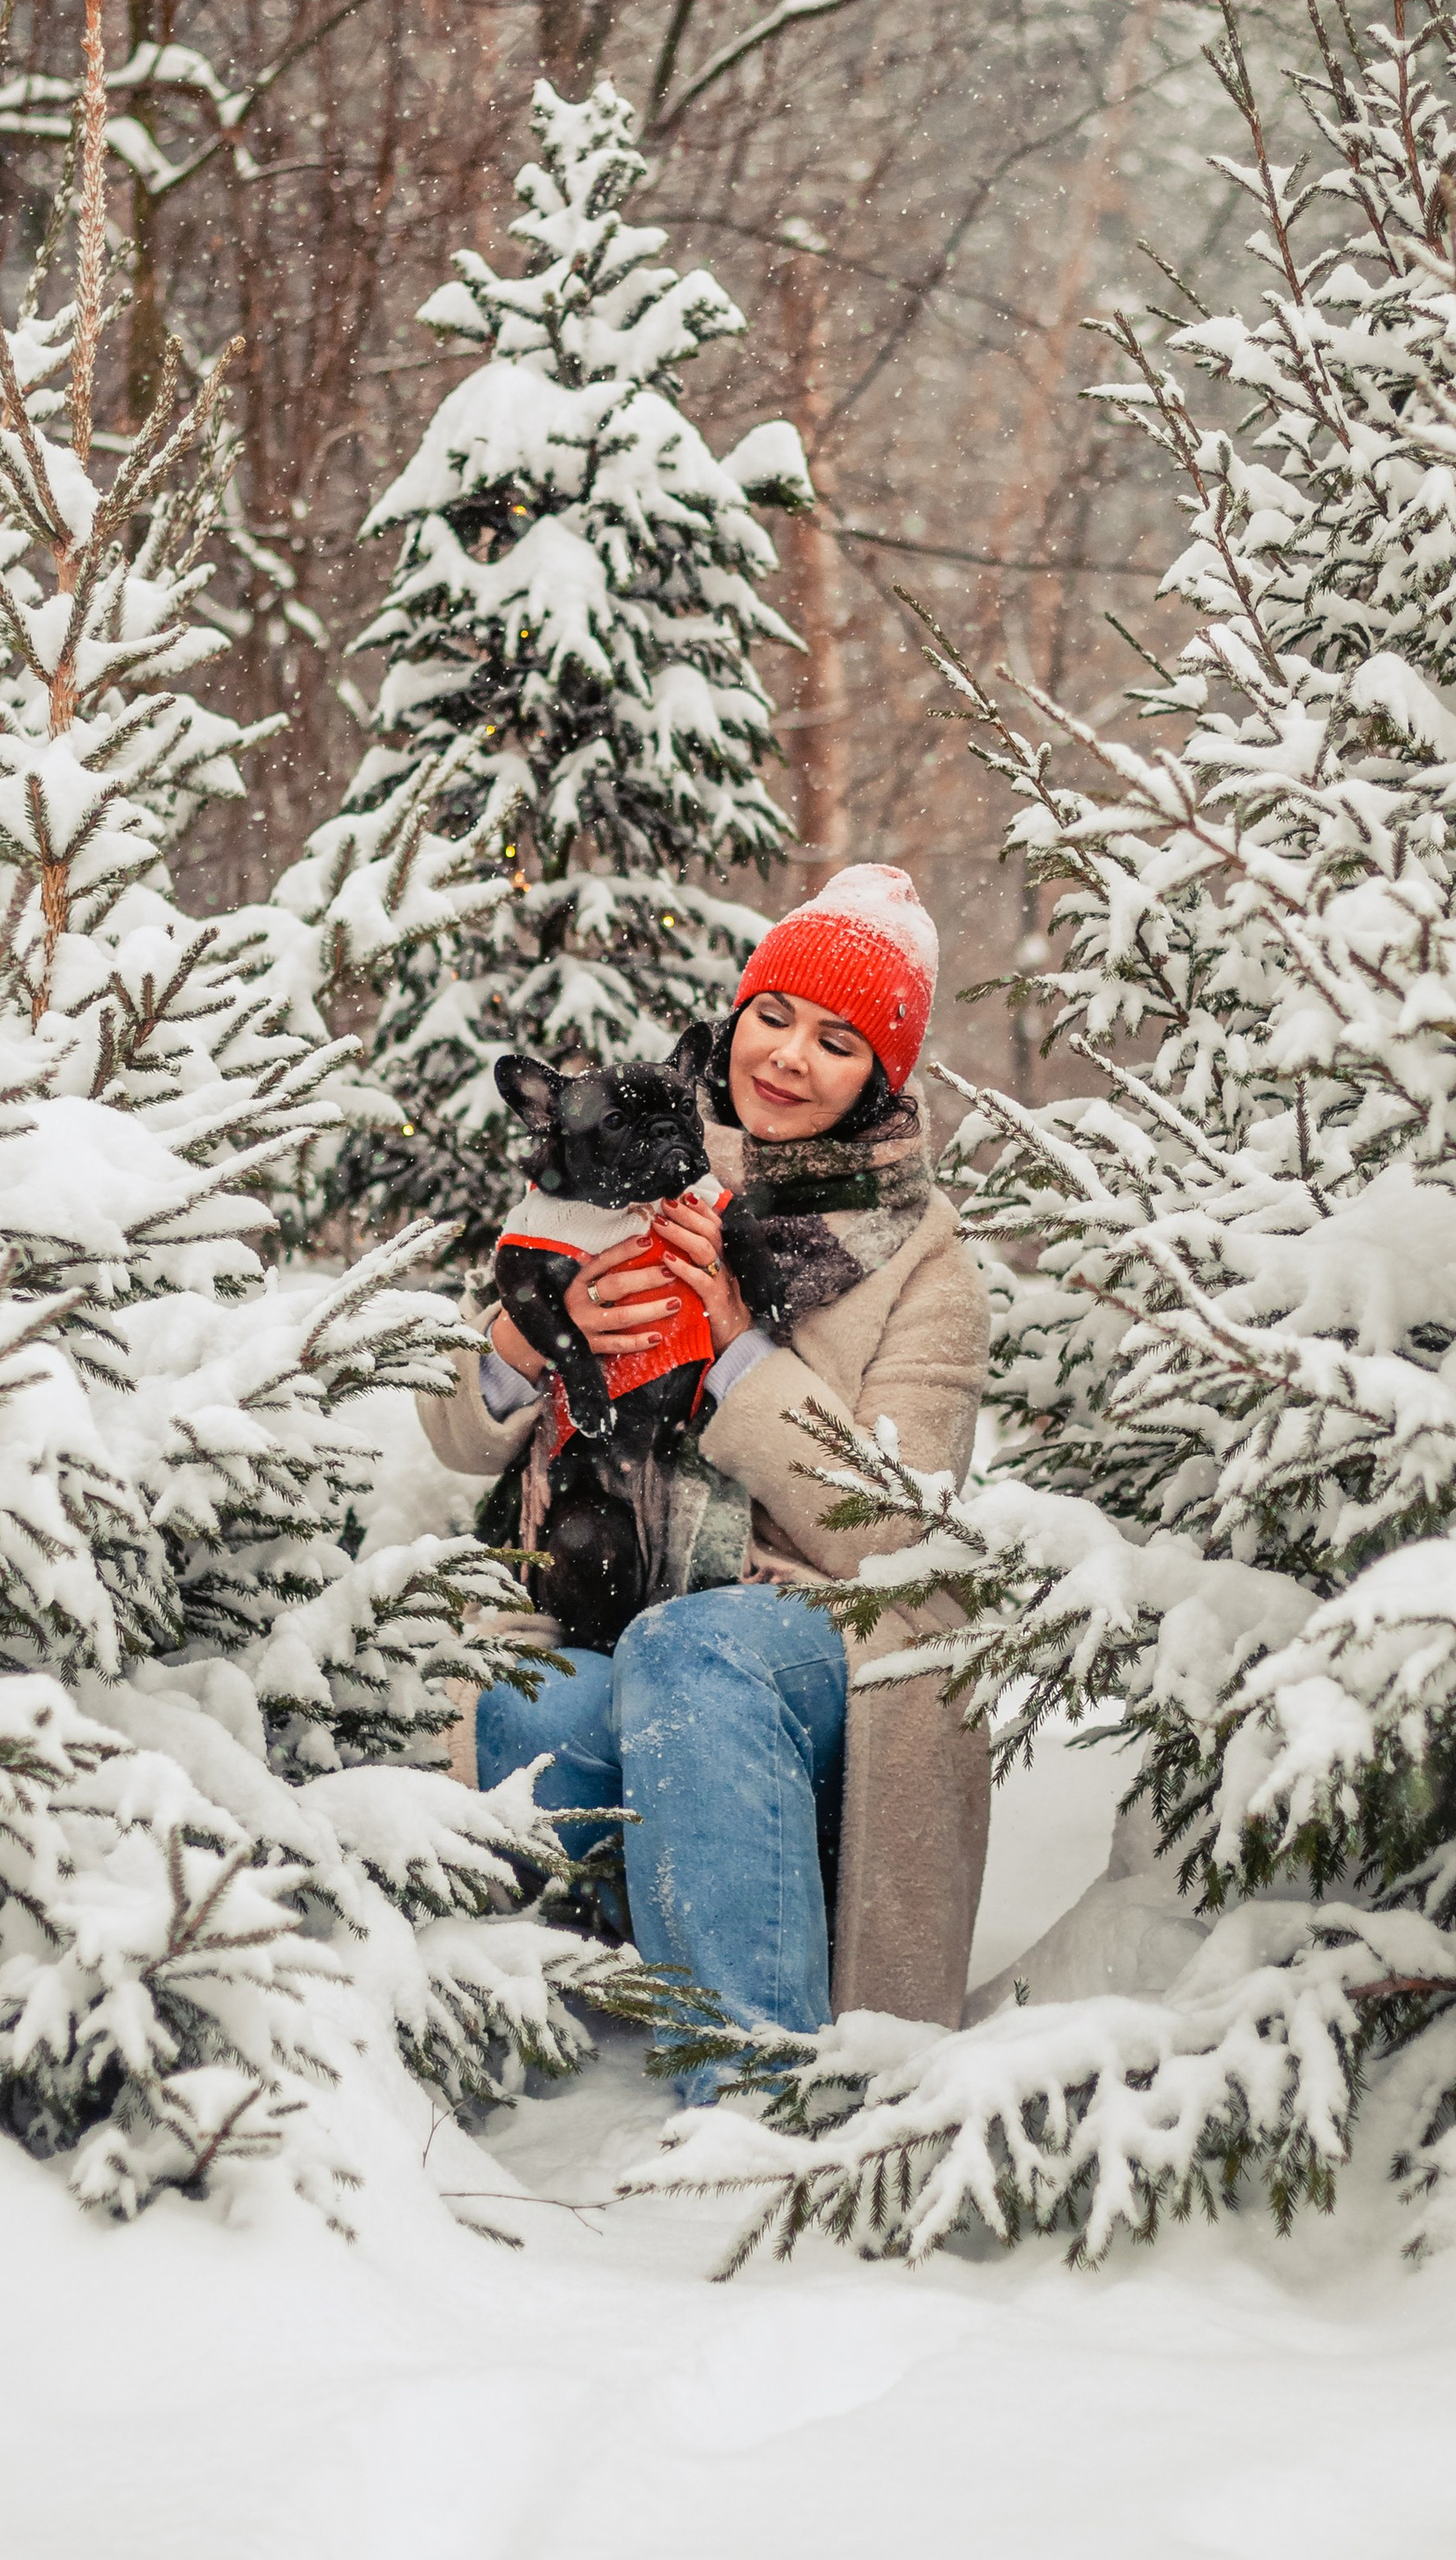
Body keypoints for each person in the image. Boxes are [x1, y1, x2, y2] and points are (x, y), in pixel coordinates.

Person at [413, 864, 992, 2073]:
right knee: (515, 1706)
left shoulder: (928, 1272)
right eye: (773, 1016)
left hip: (821, 1648)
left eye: (837, 1043)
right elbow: (456, 1433)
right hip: (622, 1618)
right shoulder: (626, 1158)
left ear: (880, 1079)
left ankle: (751, 2097)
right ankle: (512, 2053)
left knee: (691, 1655)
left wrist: (736, 1351)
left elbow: (890, 1538)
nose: (785, 1058)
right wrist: (537, 1331)